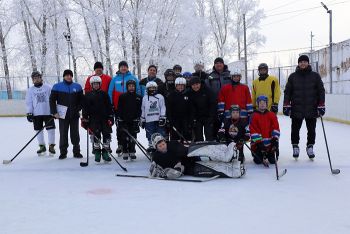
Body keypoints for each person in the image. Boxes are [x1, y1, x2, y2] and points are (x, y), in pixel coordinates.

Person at [283, 55, 325, 159]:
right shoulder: (292, 76)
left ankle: (310, 146)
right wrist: (286, 105)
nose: (303, 63)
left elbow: (321, 91)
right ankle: (295, 146)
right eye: (301, 62)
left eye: (305, 61)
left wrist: (321, 105)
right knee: (295, 130)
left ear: (308, 63)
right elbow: (287, 92)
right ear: (298, 63)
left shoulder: (315, 76)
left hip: (312, 108)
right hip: (297, 108)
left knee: (311, 130)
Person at [50, 69, 84, 159]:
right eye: (67, 75)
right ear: (64, 76)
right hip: (62, 115)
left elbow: (82, 100)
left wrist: (78, 108)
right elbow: (52, 100)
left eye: (70, 75)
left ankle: (76, 152)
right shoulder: (57, 86)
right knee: (63, 134)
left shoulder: (77, 86)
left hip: (74, 115)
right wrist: (54, 112)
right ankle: (63, 152)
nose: (69, 77)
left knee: (75, 134)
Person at [108, 61, 140, 154]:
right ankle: (120, 145)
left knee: (132, 126)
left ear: (127, 68)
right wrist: (111, 104)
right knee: (120, 126)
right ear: (119, 68)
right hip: (118, 107)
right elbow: (110, 92)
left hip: (131, 107)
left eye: (125, 66)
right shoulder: (114, 79)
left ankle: (131, 146)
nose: (123, 68)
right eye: (121, 67)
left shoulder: (133, 78)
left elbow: (137, 90)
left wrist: (138, 102)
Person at [81, 76, 114, 163]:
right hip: (93, 119)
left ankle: (105, 152)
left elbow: (109, 106)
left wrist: (110, 117)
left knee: (106, 135)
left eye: (97, 84)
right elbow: (85, 108)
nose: (96, 85)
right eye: (94, 84)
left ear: (100, 84)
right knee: (96, 136)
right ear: (91, 85)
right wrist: (85, 119)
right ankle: (97, 152)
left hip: (104, 118)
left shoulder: (104, 94)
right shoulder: (87, 95)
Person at [25, 71, 56, 156]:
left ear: (41, 78)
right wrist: (29, 113)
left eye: (38, 77)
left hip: (48, 112)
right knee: (38, 131)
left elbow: (53, 100)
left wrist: (54, 111)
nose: (36, 79)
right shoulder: (30, 90)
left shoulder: (48, 88)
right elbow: (29, 102)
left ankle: (51, 146)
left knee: (51, 130)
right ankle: (42, 146)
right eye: (34, 78)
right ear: (32, 80)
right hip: (36, 114)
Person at [250, 95, 280, 166]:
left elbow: (276, 128)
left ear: (267, 104)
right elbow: (253, 131)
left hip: (270, 145)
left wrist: (275, 139)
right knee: (258, 161)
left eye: (264, 102)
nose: (262, 104)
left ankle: (270, 154)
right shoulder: (254, 116)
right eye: (260, 102)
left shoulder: (272, 115)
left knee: (272, 161)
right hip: (258, 145)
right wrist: (259, 143)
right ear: (257, 104)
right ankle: (260, 154)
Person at [115, 80, 142, 160]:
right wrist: (119, 117)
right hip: (124, 120)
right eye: (130, 86)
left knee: (133, 136)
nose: (131, 87)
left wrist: (138, 117)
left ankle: (132, 150)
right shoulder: (122, 96)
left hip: (134, 120)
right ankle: (125, 151)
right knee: (124, 136)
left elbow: (139, 109)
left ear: (135, 87)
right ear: (127, 87)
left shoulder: (138, 97)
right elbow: (119, 108)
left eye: (133, 86)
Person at [188, 76, 216, 142]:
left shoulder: (207, 90)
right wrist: (193, 118)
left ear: (200, 84)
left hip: (208, 116)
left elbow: (213, 104)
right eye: (193, 85)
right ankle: (199, 149)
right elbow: (190, 107)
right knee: (198, 135)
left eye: (197, 84)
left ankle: (210, 148)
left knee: (209, 134)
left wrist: (211, 116)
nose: (195, 86)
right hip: (197, 118)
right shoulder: (190, 93)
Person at [140, 81, 166, 152]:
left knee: (160, 133)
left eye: (153, 88)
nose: (152, 89)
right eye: (150, 88)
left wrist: (163, 117)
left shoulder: (160, 97)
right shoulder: (145, 98)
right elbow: (143, 108)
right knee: (150, 133)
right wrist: (142, 118)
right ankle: (151, 146)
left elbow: (163, 107)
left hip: (158, 119)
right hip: (149, 120)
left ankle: (161, 146)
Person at [167, 77, 194, 143]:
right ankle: (176, 148)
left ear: (185, 86)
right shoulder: (171, 95)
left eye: (182, 85)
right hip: (175, 119)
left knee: (187, 133)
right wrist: (170, 119)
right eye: (179, 85)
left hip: (186, 119)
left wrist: (191, 119)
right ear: (176, 86)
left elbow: (191, 108)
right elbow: (169, 108)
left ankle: (187, 146)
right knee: (175, 134)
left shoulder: (188, 94)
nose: (180, 87)